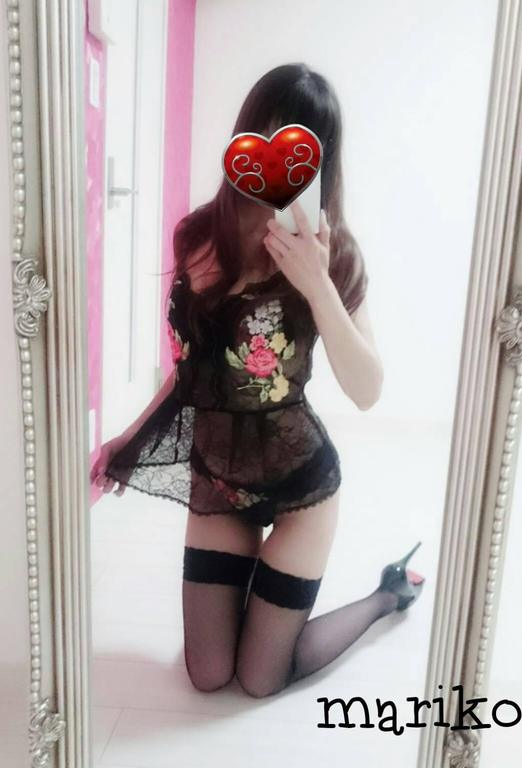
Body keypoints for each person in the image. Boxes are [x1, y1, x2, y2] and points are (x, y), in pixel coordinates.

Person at [90, 63, 424, 699]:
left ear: (321, 164)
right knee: (210, 674)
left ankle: (385, 596)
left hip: (302, 488)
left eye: (298, 155)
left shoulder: (335, 256)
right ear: (243, 143)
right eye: (265, 144)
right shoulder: (199, 237)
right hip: (220, 481)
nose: (277, 174)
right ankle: (256, 610)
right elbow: (192, 372)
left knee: (260, 679)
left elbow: (367, 390)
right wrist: (128, 438)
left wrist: (317, 284)